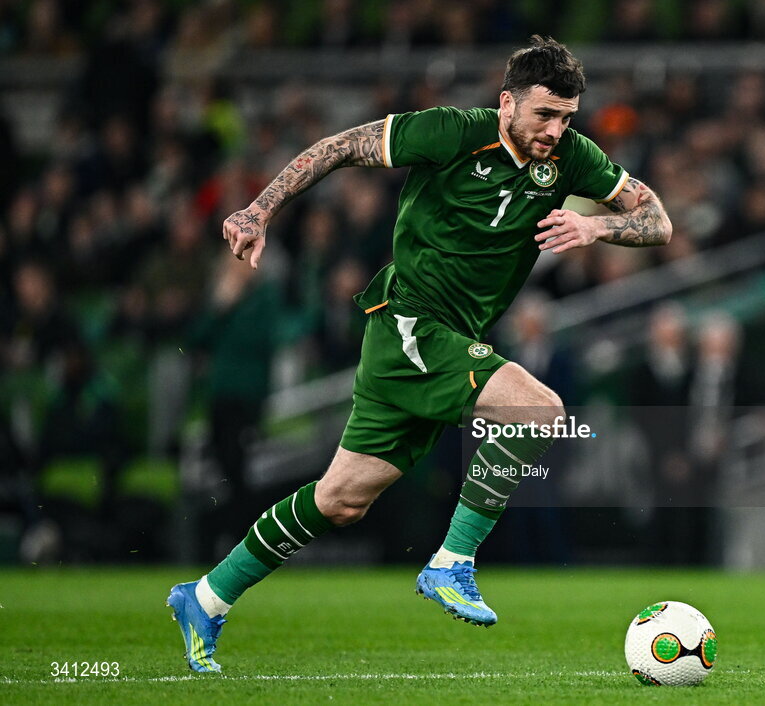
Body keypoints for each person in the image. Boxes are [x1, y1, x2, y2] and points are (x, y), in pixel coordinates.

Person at [167, 36, 672, 673]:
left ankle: (207, 596)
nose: (556, 130)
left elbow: (659, 219)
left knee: (341, 499)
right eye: (544, 115)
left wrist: (597, 225)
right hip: (411, 322)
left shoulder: (572, 160)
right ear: (506, 102)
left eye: (568, 116)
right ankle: (453, 562)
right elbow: (337, 147)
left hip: (447, 339)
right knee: (540, 411)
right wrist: (260, 209)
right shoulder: (451, 133)